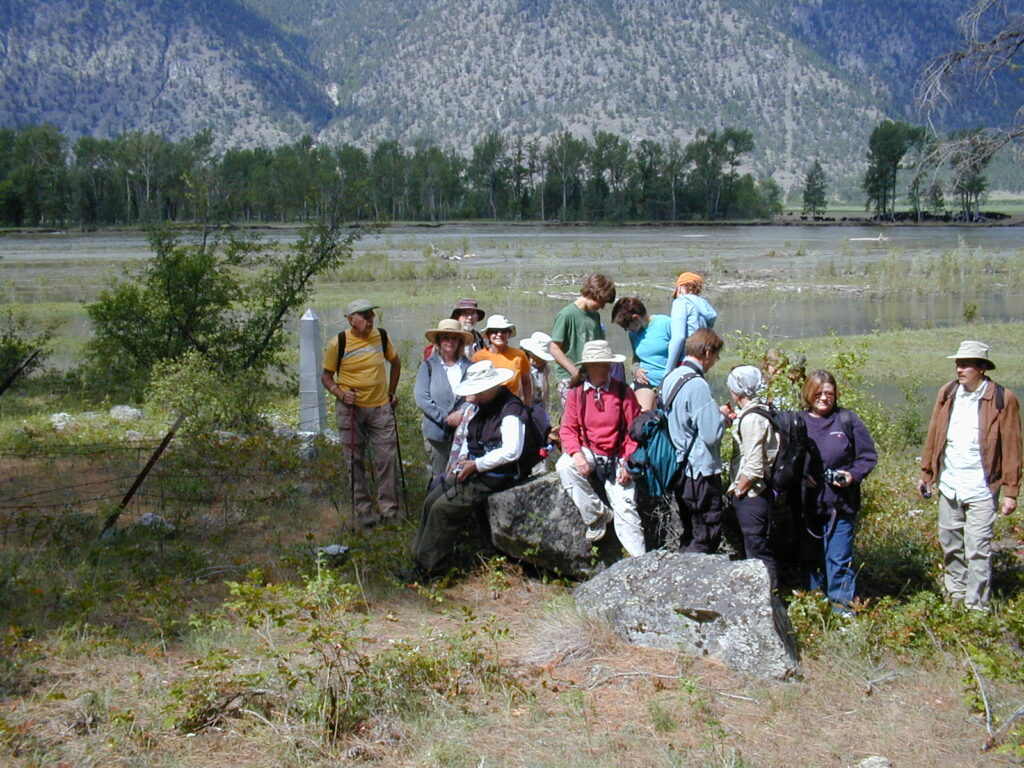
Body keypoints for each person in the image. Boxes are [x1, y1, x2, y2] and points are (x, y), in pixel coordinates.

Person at [919, 340, 1021, 612]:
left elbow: (1012, 447)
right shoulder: (948, 393)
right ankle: (956, 597)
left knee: (977, 549)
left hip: (982, 488)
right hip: (950, 484)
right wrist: (927, 472)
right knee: (951, 544)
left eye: (965, 365)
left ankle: (977, 607)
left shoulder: (1002, 399)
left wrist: (1011, 492)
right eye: (958, 364)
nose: (959, 369)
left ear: (982, 368)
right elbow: (934, 434)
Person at [411, 360, 528, 577]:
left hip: (498, 474)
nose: (476, 395)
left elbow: (512, 451)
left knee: (442, 509)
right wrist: (465, 456)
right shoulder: (483, 406)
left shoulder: (511, 409)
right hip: (475, 468)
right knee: (430, 501)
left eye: (479, 391)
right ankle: (419, 557)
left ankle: (430, 568)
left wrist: (476, 464)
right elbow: (470, 436)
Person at [556, 340, 645, 556]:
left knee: (626, 509)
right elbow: (568, 429)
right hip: (590, 451)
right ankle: (596, 515)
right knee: (564, 466)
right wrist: (577, 455)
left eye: (608, 364)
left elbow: (635, 432)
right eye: (601, 364)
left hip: (618, 456)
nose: (606, 368)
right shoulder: (577, 393)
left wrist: (628, 462)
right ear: (588, 367)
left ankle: (641, 562)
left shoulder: (623, 392)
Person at [800, 369, 877, 615]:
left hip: (841, 504)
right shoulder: (798, 422)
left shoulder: (847, 420)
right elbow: (787, 459)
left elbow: (867, 457)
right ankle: (814, 608)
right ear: (808, 393)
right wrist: (802, 475)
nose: (824, 398)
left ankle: (842, 610)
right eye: (819, 393)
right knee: (812, 559)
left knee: (839, 558)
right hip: (809, 506)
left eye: (829, 393)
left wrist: (852, 475)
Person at [321, 299, 402, 527]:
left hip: (380, 408)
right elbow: (326, 377)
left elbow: (396, 363)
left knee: (387, 459)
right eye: (365, 316)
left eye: (371, 315)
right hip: (350, 410)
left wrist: (391, 392)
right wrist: (340, 394)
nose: (370, 320)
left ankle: (389, 512)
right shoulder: (338, 343)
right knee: (354, 461)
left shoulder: (381, 336)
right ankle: (364, 512)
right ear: (351, 320)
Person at [662, 328, 728, 553]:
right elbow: (710, 434)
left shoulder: (672, 377)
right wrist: (723, 418)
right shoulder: (697, 384)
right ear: (707, 352)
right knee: (707, 532)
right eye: (716, 355)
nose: (716, 361)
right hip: (700, 470)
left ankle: (683, 568)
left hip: (680, 468)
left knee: (690, 529)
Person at [725, 365, 780, 589]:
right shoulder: (761, 411)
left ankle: (769, 599)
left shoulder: (752, 420)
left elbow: (754, 467)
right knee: (757, 549)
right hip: (759, 493)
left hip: (753, 495)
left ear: (737, 391)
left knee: (757, 553)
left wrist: (738, 491)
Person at [414, 318, 473, 479]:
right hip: (436, 433)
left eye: (454, 338)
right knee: (439, 477)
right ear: (439, 341)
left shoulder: (469, 367)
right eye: (446, 337)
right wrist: (446, 418)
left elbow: (474, 396)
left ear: (460, 342)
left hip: (463, 432)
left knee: (460, 475)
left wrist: (461, 413)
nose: (450, 341)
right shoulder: (428, 366)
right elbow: (422, 398)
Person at [549, 273, 617, 404]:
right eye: (601, 302)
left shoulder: (595, 316)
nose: (602, 306)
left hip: (592, 375)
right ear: (593, 293)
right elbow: (554, 348)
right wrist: (574, 371)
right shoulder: (566, 315)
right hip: (568, 377)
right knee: (573, 413)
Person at [612, 297, 671, 411]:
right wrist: (636, 370)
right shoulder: (633, 334)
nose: (626, 330)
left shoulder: (665, 323)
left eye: (626, 327)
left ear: (635, 318)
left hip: (669, 381)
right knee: (643, 415)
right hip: (646, 382)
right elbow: (636, 359)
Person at [472, 314, 533, 405]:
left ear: (509, 334)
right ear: (488, 335)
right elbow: (473, 385)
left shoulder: (519, 355)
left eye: (504, 331)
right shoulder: (478, 357)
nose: (499, 334)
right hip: (486, 405)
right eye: (494, 331)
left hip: (511, 405)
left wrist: (528, 405)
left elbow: (527, 382)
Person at [666, 271, 718, 371]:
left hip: (684, 361)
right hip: (699, 361)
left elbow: (678, 338)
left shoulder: (681, 303)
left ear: (680, 287)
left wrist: (668, 371)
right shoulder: (704, 305)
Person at [520, 331, 554, 438]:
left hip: (539, 408)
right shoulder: (522, 367)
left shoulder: (545, 369)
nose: (543, 361)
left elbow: (545, 395)